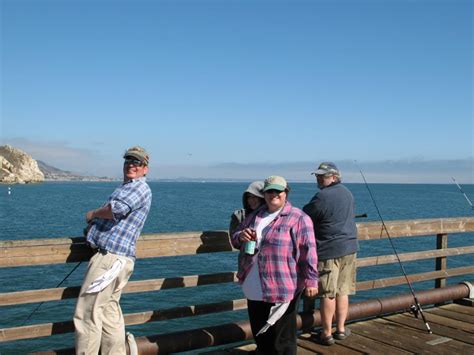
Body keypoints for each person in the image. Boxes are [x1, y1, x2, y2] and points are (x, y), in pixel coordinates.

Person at [74, 146, 152, 355]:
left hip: (110, 258)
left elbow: (116, 210)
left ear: (145, 169)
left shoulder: (138, 188)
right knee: (108, 313)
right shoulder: (128, 187)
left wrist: (92, 214)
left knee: (88, 312)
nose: (131, 165)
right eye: (128, 161)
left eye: (137, 162)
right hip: (117, 260)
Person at [231, 175, 318, 355]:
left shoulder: (299, 218)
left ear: (286, 193)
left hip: (282, 287)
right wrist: (241, 236)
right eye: (270, 191)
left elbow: (308, 252)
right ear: (264, 193)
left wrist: (311, 281)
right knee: (261, 337)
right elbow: (236, 237)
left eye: (278, 191)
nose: (274, 194)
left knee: (283, 341)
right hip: (254, 285)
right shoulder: (256, 215)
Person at [302, 162, 358, 346]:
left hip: (329, 250)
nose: (318, 178)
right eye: (317, 175)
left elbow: (305, 215)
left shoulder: (322, 196)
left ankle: (326, 334)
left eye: (323, 176)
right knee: (343, 291)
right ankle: (341, 329)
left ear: (334, 177)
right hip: (349, 248)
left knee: (328, 293)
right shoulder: (348, 193)